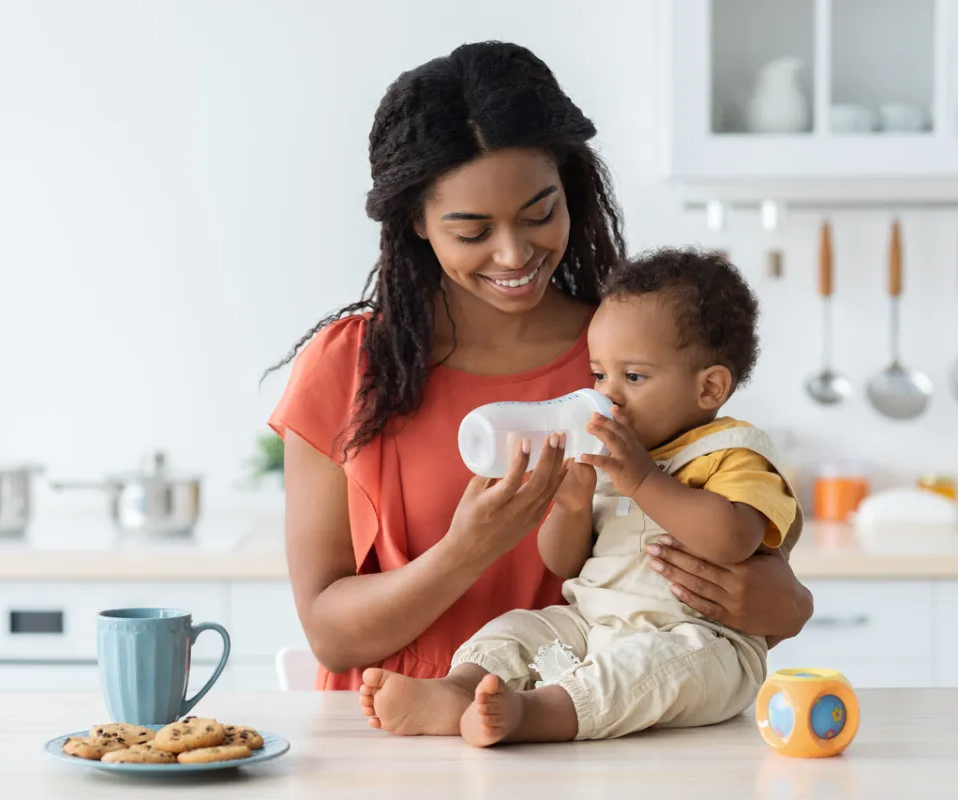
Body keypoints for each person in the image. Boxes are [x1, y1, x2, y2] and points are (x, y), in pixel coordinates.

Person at [265, 40, 814, 696]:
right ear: (417, 221)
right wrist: (468, 549)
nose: (513, 254)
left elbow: (741, 552)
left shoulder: (630, 360)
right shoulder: (350, 367)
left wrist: (786, 604)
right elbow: (330, 636)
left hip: (585, 722)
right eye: (473, 232)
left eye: (540, 214)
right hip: (390, 727)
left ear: (569, 190)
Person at [359, 247, 803, 746]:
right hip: (590, 621)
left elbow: (732, 540)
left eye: (633, 377)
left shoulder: (733, 451)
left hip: (695, 639)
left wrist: (643, 481)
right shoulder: (614, 454)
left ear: (710, 388)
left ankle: (531, 716)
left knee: (646, 667)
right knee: (519, 629)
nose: (608, 394)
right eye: (598, 374)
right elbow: (564, 564)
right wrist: (570, 507)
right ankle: (458, 690)